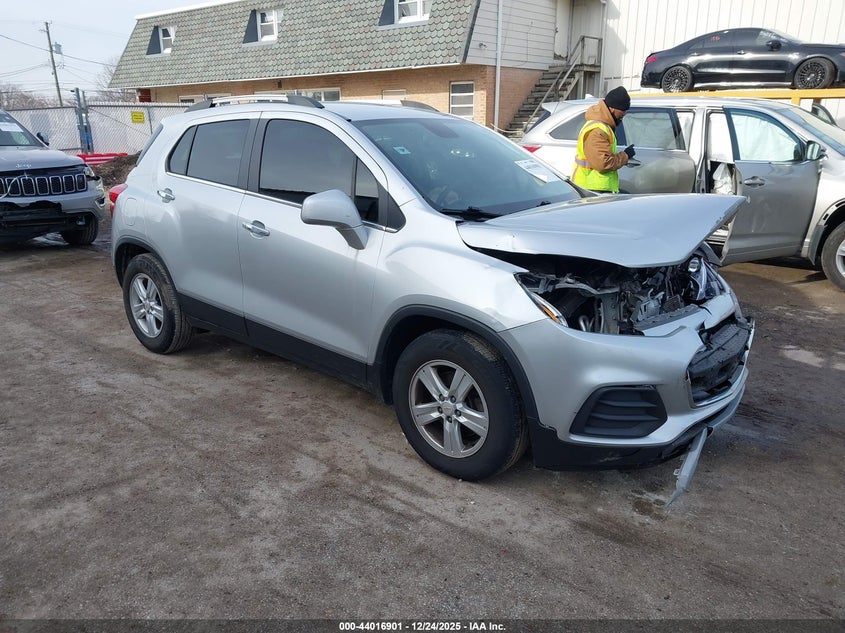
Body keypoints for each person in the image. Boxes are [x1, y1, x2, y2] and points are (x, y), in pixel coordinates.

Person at [571, 86, 636, 193]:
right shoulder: (597, 130)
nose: (625, 114)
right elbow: (603, 163)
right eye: (623, 110)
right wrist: (625, 156)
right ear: (612, 108)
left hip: (596, 188)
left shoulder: (604, 126)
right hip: (592, 190)